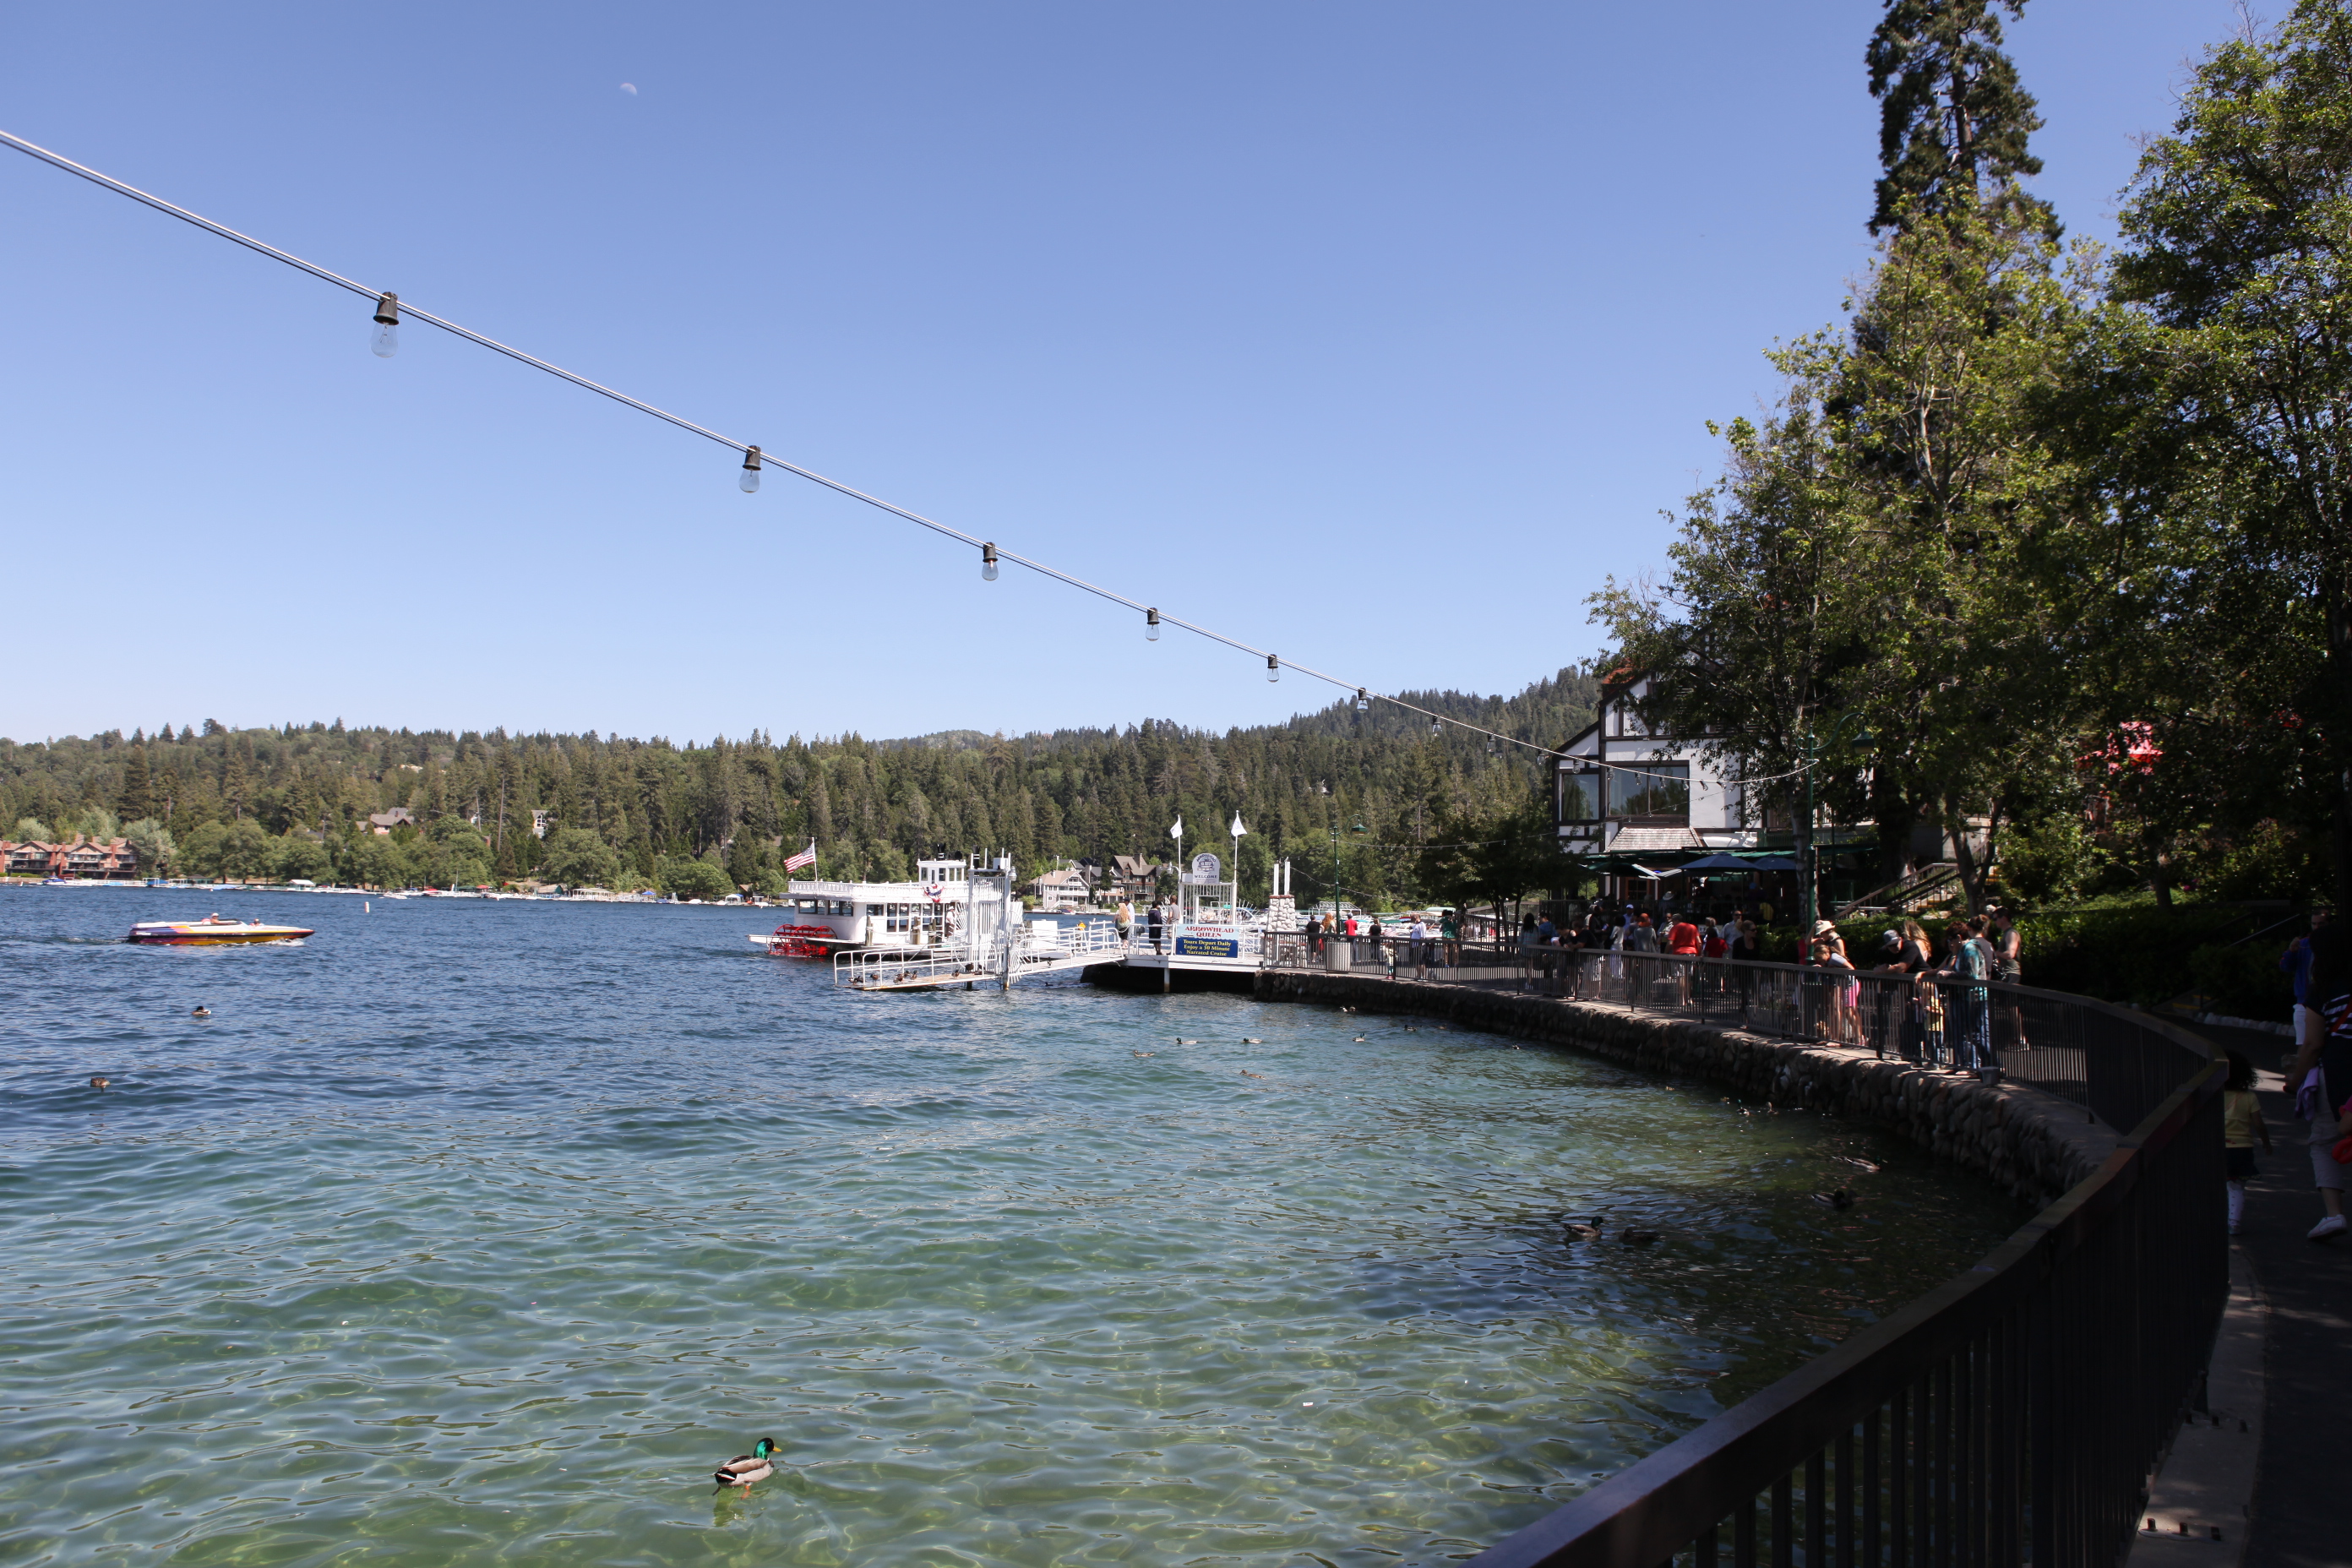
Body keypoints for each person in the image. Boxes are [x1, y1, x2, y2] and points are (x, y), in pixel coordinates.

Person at [2285, 922, 2349, 1243]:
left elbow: (2312, 1044)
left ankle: (2334, 1214)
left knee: (2323, 1142)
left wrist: (2295, 1082)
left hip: (2339, 1074)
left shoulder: (2322, 991)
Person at [2222, 1051, 2272, 1236]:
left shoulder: (2214, 1094)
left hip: (2218, 1146)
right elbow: (2258, 1124)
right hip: (2241, 1148)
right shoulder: (2249, 1097)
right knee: (2236, 1186)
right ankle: (2234, 1222)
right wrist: (2266, 1142)